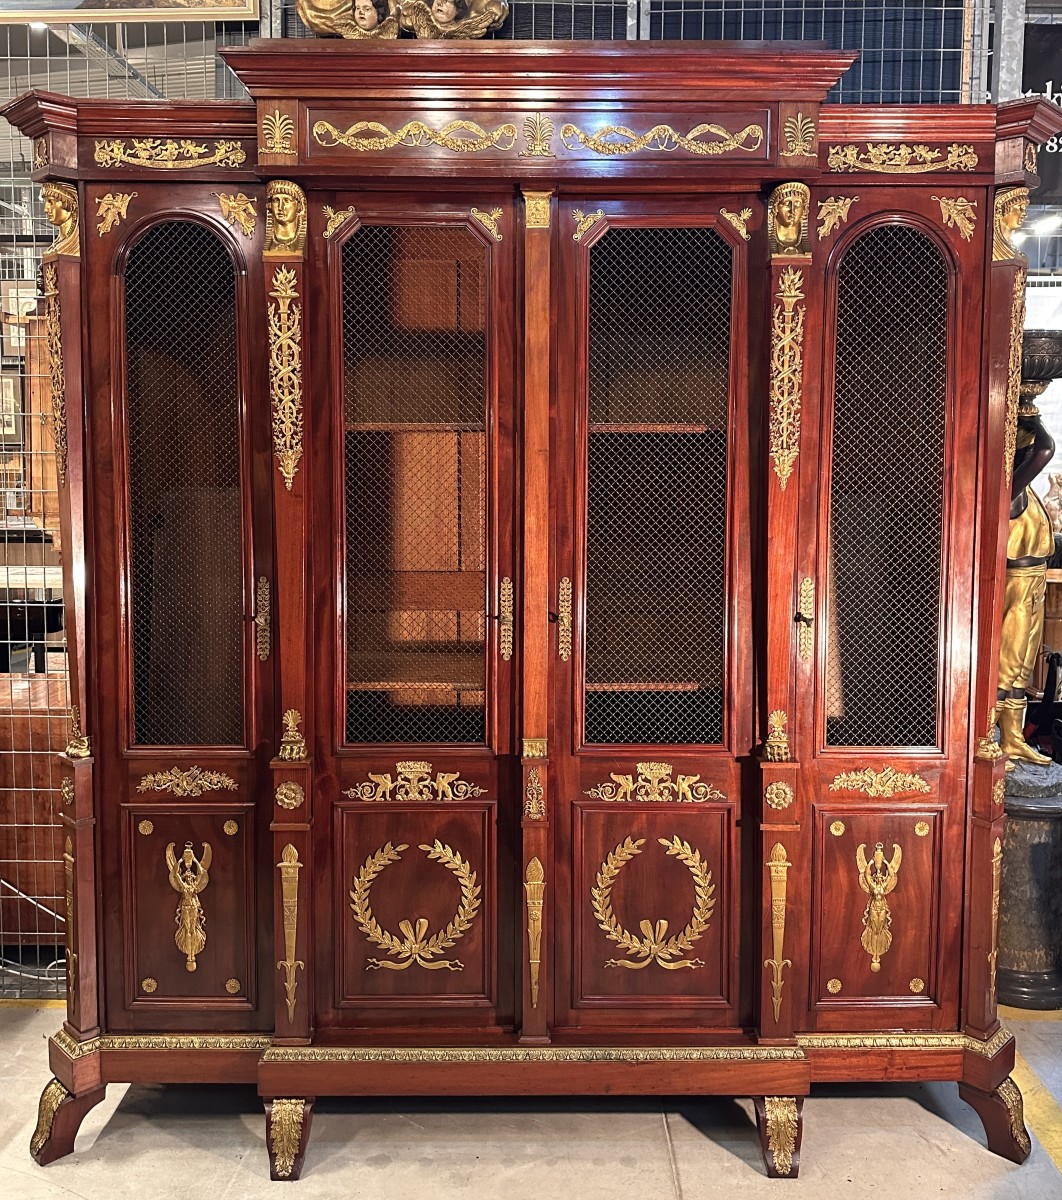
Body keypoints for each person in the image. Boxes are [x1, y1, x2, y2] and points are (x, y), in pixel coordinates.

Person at [997, 406, 1056, 764]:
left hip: (1034, 583)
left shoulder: (1028, 492)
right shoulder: (1012, 489)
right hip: (1017, 586)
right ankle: (989, 738)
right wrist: (1033, 419)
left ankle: (1014, 739)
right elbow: (1046, 449)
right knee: (1008, 661)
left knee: (1022, 665)